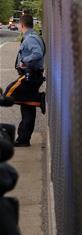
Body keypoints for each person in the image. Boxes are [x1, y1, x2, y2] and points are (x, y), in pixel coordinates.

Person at [3, 14, 45, 147]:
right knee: (27, 106)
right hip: (33, 75)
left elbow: (37, 53)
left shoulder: (30, 39)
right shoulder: (34, 37)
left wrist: (24, 61)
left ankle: (38, 98)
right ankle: (23, 139)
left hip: (30, 76)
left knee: (8, 93)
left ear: (21, 25)